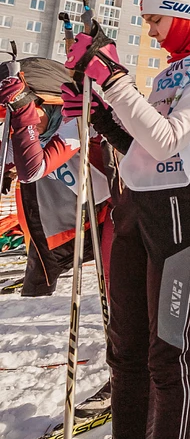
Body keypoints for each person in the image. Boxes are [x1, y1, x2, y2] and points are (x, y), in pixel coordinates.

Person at [62, 0, 190, 439]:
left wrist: (113, 79)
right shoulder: (173, 72)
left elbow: (168, 140)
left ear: (184, 9)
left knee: (170, 351)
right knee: (125, 350)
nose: (150, 30)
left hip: (186, 210)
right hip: (140, 205)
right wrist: (101, 116)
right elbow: (148, 148)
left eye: (155, 19)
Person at [0, 58, 113, 297]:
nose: (18, 122)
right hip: (74, 220)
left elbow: (33, 170)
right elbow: (9, 157)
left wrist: (22, 109)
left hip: (110, 212)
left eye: (28, 112)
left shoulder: (74, 120)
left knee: (117, 284)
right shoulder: (34, 126)